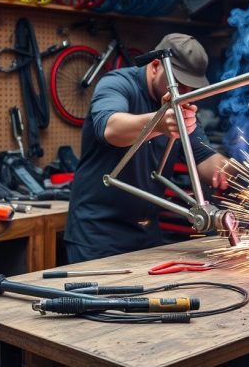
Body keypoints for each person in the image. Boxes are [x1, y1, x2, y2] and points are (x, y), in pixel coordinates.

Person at [64, 34, 230, 263]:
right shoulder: (117, 84)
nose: (184, 92)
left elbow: (205, 160)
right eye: (180, 83)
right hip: (98, 236)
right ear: (154, 66)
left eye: (191, 87)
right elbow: (110, 129)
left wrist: (242, 172)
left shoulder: (181, 104)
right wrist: (159, 123)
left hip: (146, 235)